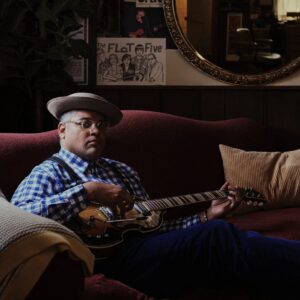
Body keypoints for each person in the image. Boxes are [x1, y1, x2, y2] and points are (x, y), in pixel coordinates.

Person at [11, 92, 300, 299]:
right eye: (85, 123)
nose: (95, 130)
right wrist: (87, 191)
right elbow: (20, 222)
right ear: (62, 130)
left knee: (219, 245)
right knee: (216, 237)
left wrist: (206, 214)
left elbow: (154, 229)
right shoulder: (49, 173)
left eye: (102, 125)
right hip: (102, 261)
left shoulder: (121, 170)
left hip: (144, 255)